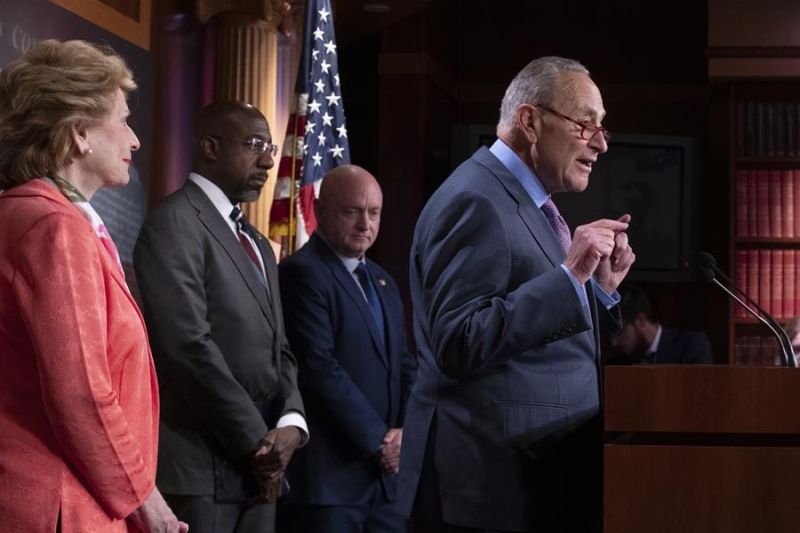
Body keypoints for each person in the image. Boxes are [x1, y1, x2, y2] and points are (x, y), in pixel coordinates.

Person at [396, 56, 635, 533]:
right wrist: (569, 278)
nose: (601, 142)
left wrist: (597, 289)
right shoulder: (475, 199)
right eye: (586, 125)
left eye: (603, 127)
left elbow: (542, 340)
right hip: (487, 490)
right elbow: (457, 341)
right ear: (530, 120)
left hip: (539, 479)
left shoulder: (527, 202)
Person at [0, 40, 186, 532]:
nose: (135, 140)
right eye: (123, 121)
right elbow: (79, 390)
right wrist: (146, 499)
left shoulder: (30, 214)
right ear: (80, 133)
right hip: (61, 504)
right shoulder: (53, 228)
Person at [134, 100, 307, 533]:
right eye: (253, 144)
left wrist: (290, 422)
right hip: (202, 470)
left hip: (260, 471)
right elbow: (188, 347)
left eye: (268, 145)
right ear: (210, 147)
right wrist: (258, 443)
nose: (269, 159)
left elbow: (280, 348)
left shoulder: (259, 245)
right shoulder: (174, 222)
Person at [277, 165, 416, 533]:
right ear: (321, 211)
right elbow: (318, 369)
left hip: (384, 487)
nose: (364, 224)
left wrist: (407, 431)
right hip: (330, 487)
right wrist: (379, 443)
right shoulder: (302, 273)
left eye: (373, 213)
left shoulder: (383, 281)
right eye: (351, 211)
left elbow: (403, 364)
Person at [609, 286, 713, 364]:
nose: (614, 343)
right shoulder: (619, 363)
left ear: (641, 320)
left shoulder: (692, 347)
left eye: (619, 332)